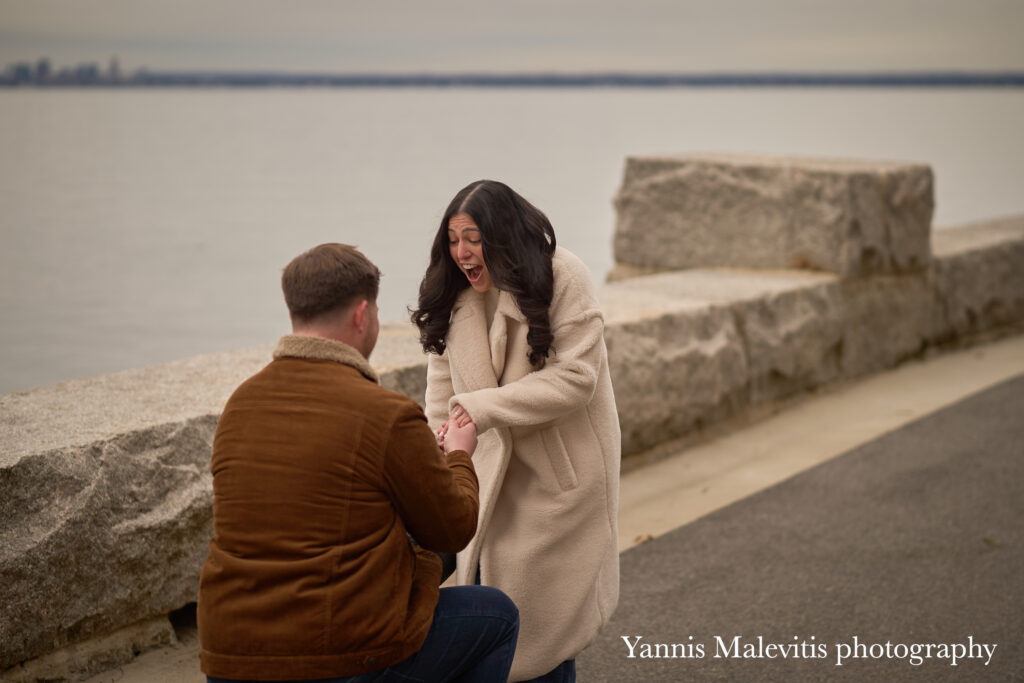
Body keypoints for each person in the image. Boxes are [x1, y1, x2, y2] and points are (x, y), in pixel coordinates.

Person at [197, 243, 519, 683]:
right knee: (497, 617)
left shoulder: (241, 403)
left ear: (295, 311)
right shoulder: (383, 413)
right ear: (362, 315)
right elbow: (455, 528)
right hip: (334, 662)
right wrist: (459, 454)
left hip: (231, 658)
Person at [410, 181, 621, 683]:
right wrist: (440, 449)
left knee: (546, 633)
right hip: (481, 479)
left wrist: (480, 409)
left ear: (502, 235)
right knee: (493, 617)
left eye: (474, 238)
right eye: (454, 238)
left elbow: (577, 378)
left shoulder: (562, 274)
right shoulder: (454, 290)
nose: (462, 252)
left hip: (559, 480)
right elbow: (442, 387)